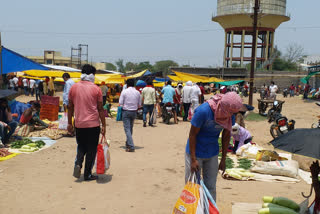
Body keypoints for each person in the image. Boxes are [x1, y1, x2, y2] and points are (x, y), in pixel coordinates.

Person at [185, 92, 243, 201]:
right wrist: (193, 159)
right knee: (193, 186)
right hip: (196, 152)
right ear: (224, 107)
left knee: (210, 186)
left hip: (212, 153)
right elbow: (192, 135)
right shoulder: (203, 111)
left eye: (233, 113)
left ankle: (209, 210)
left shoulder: (230, 116)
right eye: (231, 113)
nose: (232, 116)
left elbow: (226, 136)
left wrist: (223, 159)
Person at [68, 64, 106, 181]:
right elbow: (100, 108)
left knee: (81, 146)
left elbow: (70, 107)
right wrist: (103, 125)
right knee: (91, 149)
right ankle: (87, 174)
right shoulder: (96, 88)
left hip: (79, 124)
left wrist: (70, 123)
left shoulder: (73, 87)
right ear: (93, 75)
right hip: (93, 124)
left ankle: (78, 163)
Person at [119, 78, 141, 152]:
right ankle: (128, 142)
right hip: (134, 111)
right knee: (130, 128)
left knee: (127, 129)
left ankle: (131, 146)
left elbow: (120, 103)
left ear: (127, 84)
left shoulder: (124, 92)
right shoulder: (137, 92)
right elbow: (139, 104)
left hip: (126, 111)